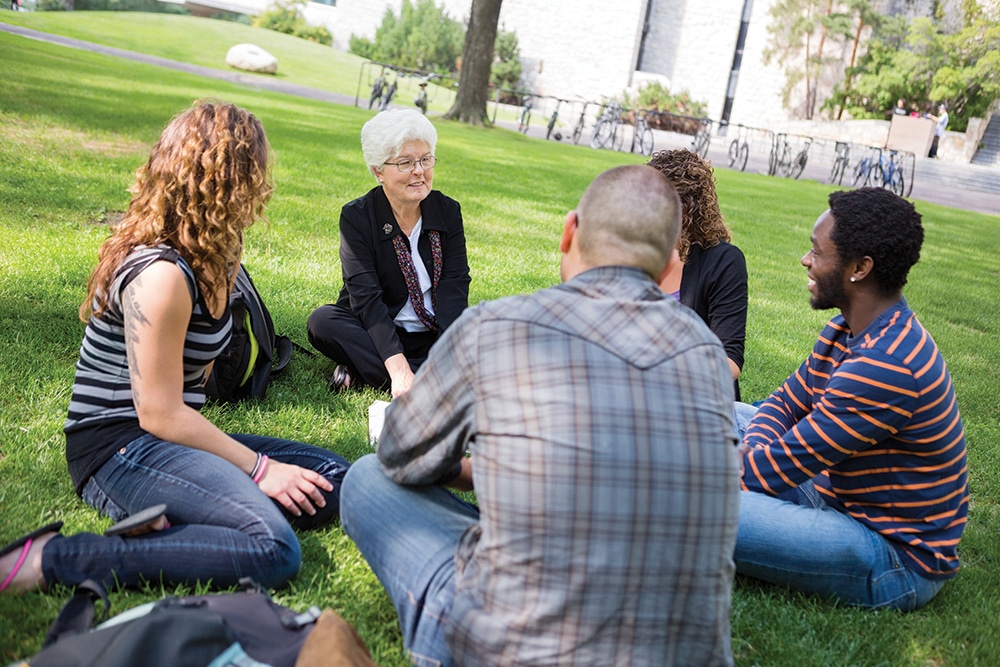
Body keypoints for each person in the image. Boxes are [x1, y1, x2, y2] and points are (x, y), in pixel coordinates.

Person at [341, 165, 740, 666]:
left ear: (569, 231)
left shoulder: (496, 325)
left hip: (513, 647)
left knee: (365, 479)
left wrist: (481, 466)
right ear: (666, 270)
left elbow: (400, 456)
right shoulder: (706, 354)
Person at [1, 101, 350, 596]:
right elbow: (159, 413)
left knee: (338, 479)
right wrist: (259, 469)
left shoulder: (215, 255)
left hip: (171, 443)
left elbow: (199, 384)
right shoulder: (161, 275)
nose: (260, 190)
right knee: (273, 548)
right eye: (253, 175)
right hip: (118, 448)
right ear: (228, 181)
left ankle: (184, 523)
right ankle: (55, 558)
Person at [733, 187, 968, 611]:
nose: (806, 260)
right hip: (832, 492)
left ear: (859, 268)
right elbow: (785, 403)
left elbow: (774, 470)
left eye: (816, 252)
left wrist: (732, 461)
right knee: (723, 413)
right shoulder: (845, 330)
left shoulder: (887, 364)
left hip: (891, 555)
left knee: (691, 505)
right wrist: (754, 446)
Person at [307, 109, 470, 398]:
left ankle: (363, 369)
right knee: (322, 322)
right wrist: (398, 371)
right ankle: (424, 377)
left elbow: (455, 286)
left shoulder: (447, 211)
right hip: (376, 331)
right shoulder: (358, 217)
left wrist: (449, 352)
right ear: (378, 171)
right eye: (405, 162)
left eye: (425, 159)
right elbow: (366, 298)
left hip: (433, 333)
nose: (419, 171)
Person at [647, 148, 748, 400]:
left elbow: (730, 361)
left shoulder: (724, 261)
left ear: (686, 210)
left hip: (697, 400)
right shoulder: (634, 250)